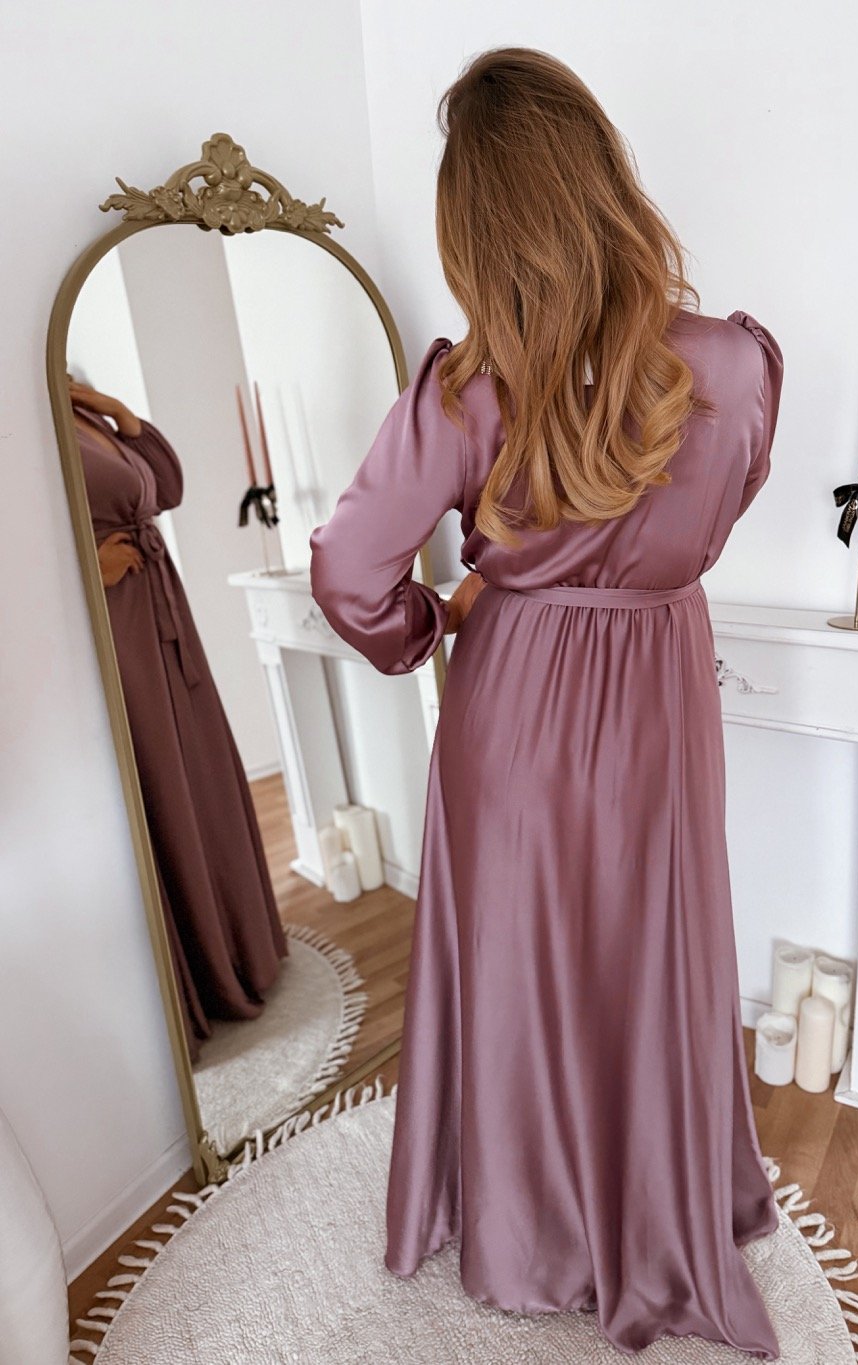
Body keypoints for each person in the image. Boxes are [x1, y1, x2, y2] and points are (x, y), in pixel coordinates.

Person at [310, 48, 784, 1360]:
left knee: (521, 953)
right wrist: (629, 566)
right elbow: (723, 504)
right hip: (661, 684)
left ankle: (531, 1231)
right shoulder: (733, 366)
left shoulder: (467, 392)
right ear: (602, 179)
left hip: (512, 698)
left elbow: (348, 572)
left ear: (478, 223)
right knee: (652, 938)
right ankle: (655, 1204)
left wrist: (430, 623)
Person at [70, 378, 288, 1063]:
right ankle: (196, 977)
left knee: (197, 766)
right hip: (114, 624)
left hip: (161, 610)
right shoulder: (25, 426)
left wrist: (117, 412)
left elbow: (168, 487)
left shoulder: (84, 415)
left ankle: (238, 949)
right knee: (160, 777)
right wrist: (86, 566)